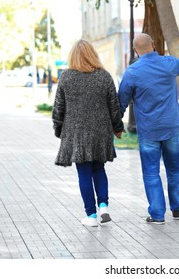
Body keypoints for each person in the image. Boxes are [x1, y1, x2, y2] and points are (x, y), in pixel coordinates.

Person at [118, 33, 179, 224]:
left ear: (135, 50)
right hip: (171, 127)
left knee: (151, 172)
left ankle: (158, 214)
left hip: (149, 130)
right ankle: (177, 207)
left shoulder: (132, 72)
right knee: (174, 168)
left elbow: (121, 101)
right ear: (153, 44)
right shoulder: (168, 63)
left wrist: (116, 124)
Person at [52, 39, 125, 227]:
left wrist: (58, 129)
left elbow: (58, 108)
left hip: (76, 133)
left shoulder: (66, 77)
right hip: (101, 132)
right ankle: (104, 206)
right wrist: (117, 128)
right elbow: (114, 107)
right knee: (99, 168)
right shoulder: (104, 76)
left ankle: (91, 216)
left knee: (84, 172)